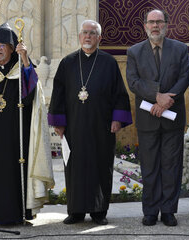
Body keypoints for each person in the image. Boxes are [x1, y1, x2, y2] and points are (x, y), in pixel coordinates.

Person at [48, 20, 132, 225]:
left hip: (101, 125)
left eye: (92, 33)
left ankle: (99, 212)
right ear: (79, 36)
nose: (88, 36)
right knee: (75, 167)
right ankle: (75, 211)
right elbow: (58, 93)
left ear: (99, 38)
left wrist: (117, 120)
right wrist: (58, 122)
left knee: (100, 165)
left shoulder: (109, 62)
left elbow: (120, 94)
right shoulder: (67, 63)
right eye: (85, 32)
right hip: (74, 125)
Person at [0, 23, 54, 224]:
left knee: (16, 173)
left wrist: (25, 59)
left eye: (3, 45)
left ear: (11, 48)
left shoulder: (21, 69)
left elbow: (33, 95)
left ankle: (19, 213)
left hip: (18, 135)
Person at [126, 9, 189, 226]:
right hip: (148, 118)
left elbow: (184, 77)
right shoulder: (134, 52)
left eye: (159, 22)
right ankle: (151, 211)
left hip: (173, 117)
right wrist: (157, 97)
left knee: (171, 166)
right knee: (150, 166)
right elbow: (133, 82)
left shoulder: (180, 49)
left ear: (166, 25)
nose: (155, 26)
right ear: (145, 25)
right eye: (151, 22)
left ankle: (169, 211)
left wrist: (166, 101)